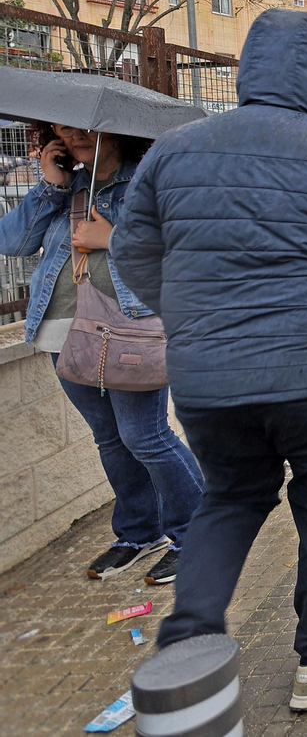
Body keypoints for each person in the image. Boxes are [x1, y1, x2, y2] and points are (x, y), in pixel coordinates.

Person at [115, 8, 307, 711]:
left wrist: (197, 322)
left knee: (229, 498)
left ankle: (188, 644)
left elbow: (132, 251)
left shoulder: (174, 151)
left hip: (209, 380)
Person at [0, 123, 201, 586]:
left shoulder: (147, 181)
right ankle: (138, 532)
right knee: (109, 438)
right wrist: (51, 185)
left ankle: (196, 534)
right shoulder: (64, 186)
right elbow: (12, 242)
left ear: (117, 130)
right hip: (61, 333)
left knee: (145, 436)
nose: (74, 135)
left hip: (129, 331)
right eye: (64, 129)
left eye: (86, 128)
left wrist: (113, 238)